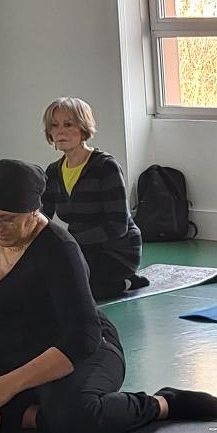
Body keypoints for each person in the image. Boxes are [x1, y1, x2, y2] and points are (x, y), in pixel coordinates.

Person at [0, 160, 217, 433]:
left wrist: (2, 389)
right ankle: (37, 417)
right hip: (10, 359)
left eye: (7, 220)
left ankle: (161, 404)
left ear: (34, 211)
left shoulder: (59, 249)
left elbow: (81, 339)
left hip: (81, 355)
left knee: (75, 420)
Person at [40, 97, 147, 301]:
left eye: (68, 124)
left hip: (116, 251)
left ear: (83, 128)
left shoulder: (105, 167)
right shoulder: (53, 172)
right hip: (81, 248)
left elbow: (118, 226)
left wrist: (70, 242)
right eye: (54, 125)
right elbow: (42, 215)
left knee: (78, 293)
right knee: (50, 287)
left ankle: (126, 281)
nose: (60, 131)